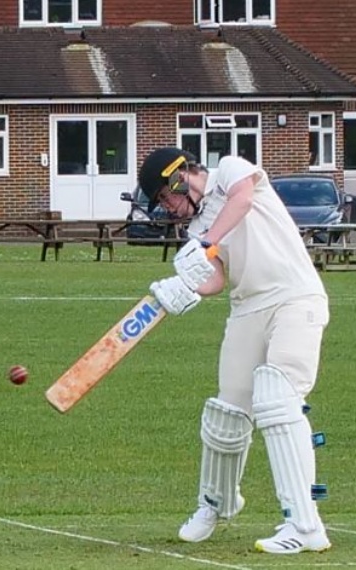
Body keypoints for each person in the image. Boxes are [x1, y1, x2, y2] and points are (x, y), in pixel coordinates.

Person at [139, 147, 331, 554]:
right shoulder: (197, 232)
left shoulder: (231, 170)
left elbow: (242, 201)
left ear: (179, 179)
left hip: (295, 297)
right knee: (227, 413)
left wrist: (207, 241)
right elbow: (217, 280)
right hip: (248, 309)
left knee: (278, 400)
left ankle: (305, 525)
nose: (169, 209)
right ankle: (216, 504)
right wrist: (180, 287)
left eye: (165, 198)